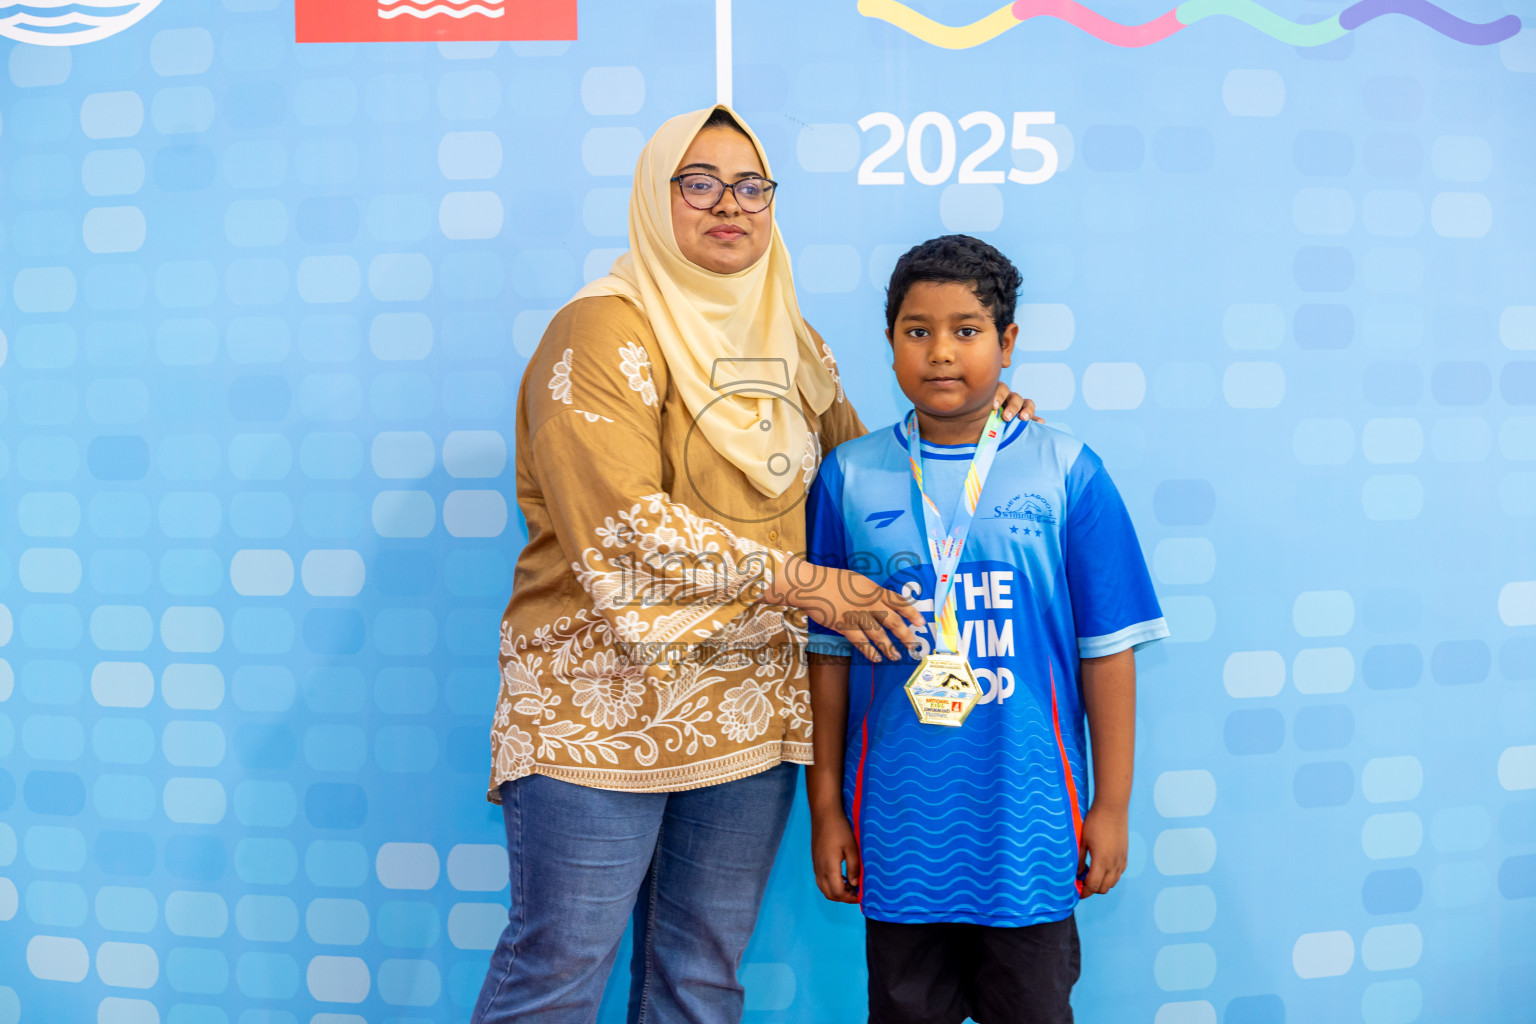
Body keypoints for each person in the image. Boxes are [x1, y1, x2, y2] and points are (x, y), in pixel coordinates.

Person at [475, 110, 1037, 1024]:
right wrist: (806, 584)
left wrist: (969, 421)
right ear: (656, 200)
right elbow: (622, 527)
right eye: (698, 183)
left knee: (700, 973)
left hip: (746, 710)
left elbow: (863, 486)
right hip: (598, 715)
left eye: (750, 186)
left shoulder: (793, 343)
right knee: (559, 969)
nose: (728, 205)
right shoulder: (597, 333)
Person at [804, 235, 1169, 1024]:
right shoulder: (848, 476)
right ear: (891, 342)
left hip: (1030, 826)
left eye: (967, 330)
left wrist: (1112, 806)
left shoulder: (1067, 470)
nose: (941, 352)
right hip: (897, 829)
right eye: (917, 330)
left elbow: (1107, 655)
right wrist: (826, 806)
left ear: (1007, 344)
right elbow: (828, 657)